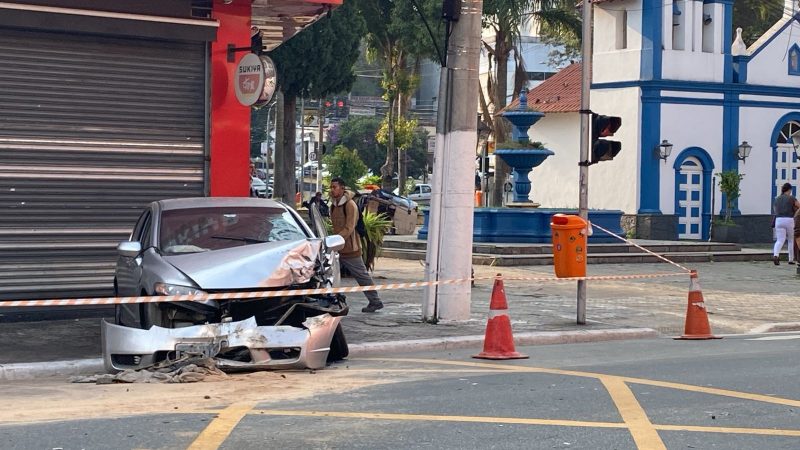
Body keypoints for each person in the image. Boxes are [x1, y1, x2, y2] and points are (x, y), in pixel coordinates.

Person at [329, 177, 384, 313]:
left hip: (350, 248)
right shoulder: (333, 205)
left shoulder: (350, 205)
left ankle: (375, 301)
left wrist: (335, 241)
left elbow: (349, 227)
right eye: (331, 187)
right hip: (338, 247)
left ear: (342, 188)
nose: (332, 190)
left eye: (334, 187)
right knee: (328, 275)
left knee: (361, 275)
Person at [772, 182, 800, 265]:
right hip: (789, 220)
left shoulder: (777, 199)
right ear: (789, 190)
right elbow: (799, 206)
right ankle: (791, 259)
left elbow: (775, 210)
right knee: (791, 240)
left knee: (780, 240)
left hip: (779, 220)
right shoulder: (792, 198)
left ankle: (776, 255)